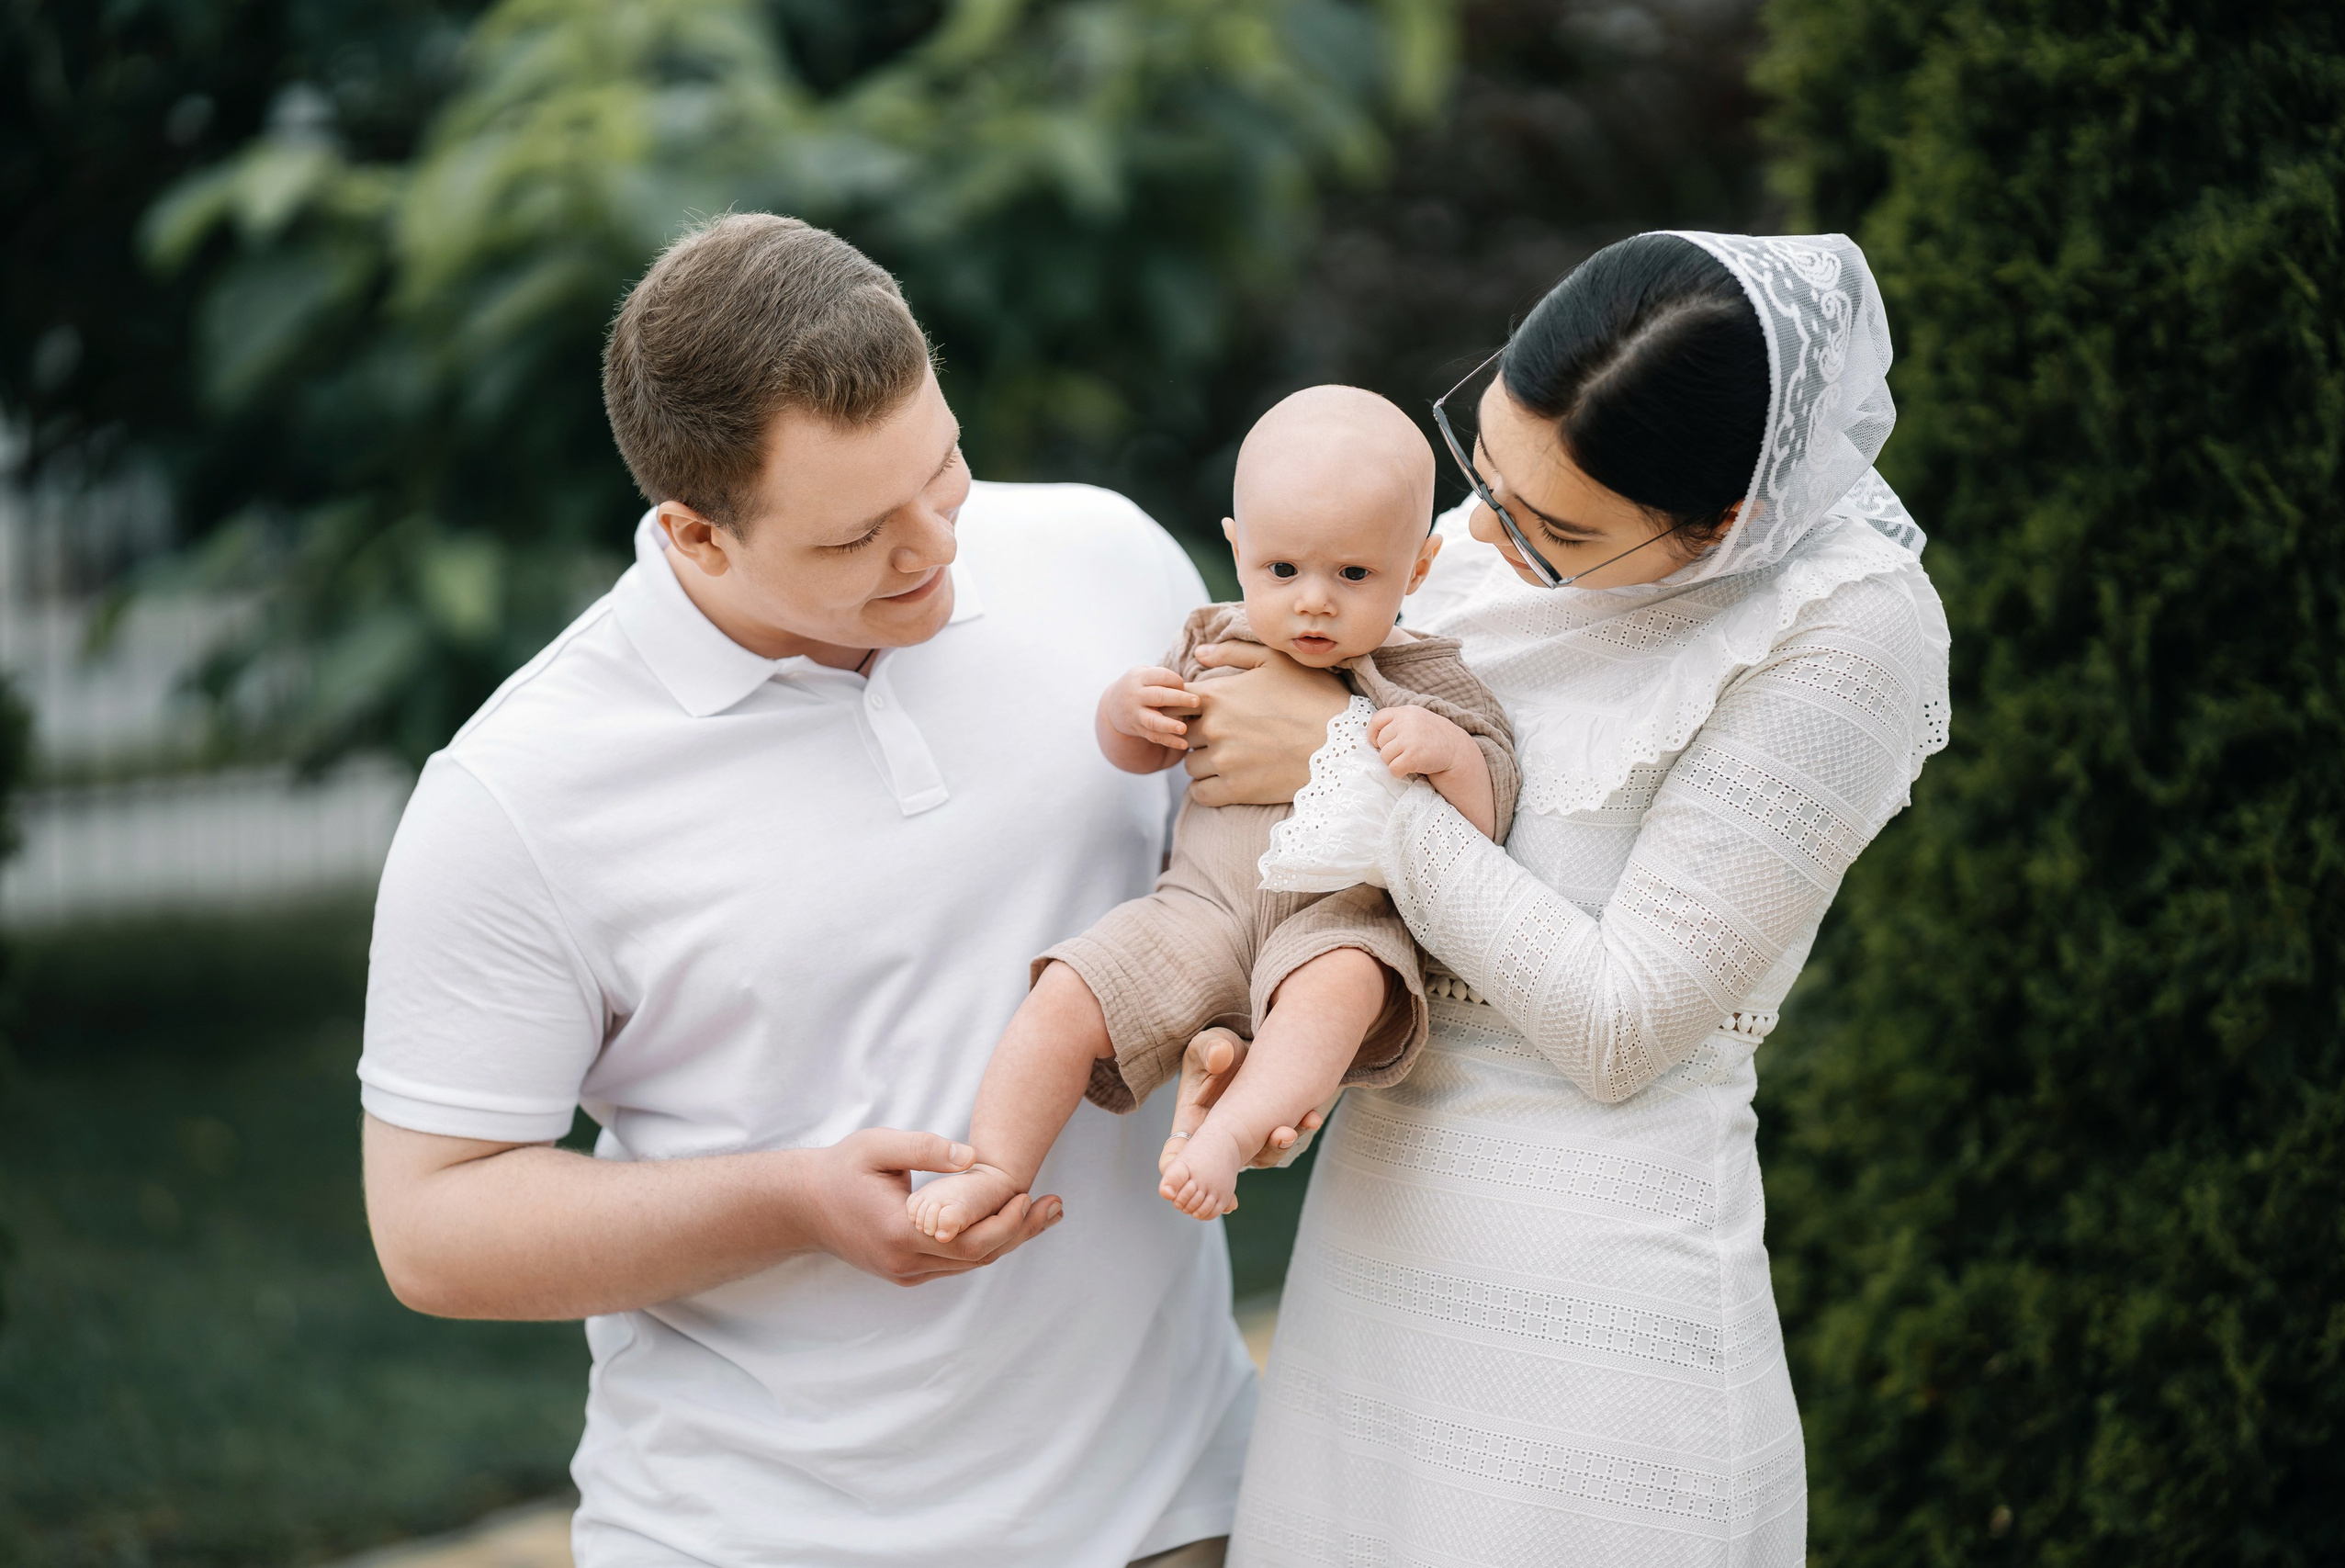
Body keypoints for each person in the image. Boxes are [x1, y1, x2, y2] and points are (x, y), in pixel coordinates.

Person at [355, 213, 1256, 1568]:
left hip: (1176, 1510)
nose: (935, 551)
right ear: (695, 534)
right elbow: (432, 1227)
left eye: (943, 470)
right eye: (856, 539)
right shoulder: (516, 794)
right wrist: (790, 1200)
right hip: (758, 1534)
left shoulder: (1108, 559)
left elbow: (1232, 888)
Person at [1178, 232, 1953, 1564]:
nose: (1485, 532)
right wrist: (1271, 1047)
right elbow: (1310, 855)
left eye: (1563, 531)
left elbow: (1622, 1022)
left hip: (1595, 1324)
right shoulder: (1467, 541)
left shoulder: (1848, 627)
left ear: (1729, 522)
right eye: (1486, 467)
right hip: (1371, 1263)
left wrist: (1351, 780)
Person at [907, 386, 1519, 1242]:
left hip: (1334, 921)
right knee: (1067, 990)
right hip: (1197, 907)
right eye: (1283, 570)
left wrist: (1450, 754)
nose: (1313, 601)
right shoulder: (1209, 640)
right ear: (1238, 553)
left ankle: (1226, 1135)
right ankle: (995, 1166)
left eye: (1353, 574)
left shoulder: (1427, 676)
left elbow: (1489, 818)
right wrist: (1126, 714)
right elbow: (1143, 753)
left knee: (1343, 984)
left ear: (1416, 569)